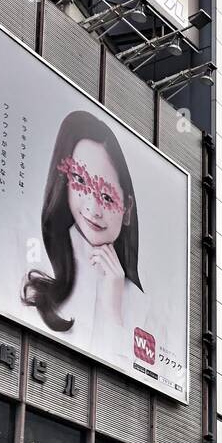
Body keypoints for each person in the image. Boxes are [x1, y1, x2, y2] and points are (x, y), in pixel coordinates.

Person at [22, 111, 170, 384]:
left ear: (127, 209)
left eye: (105, 196)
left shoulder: (146, 310)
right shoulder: (34, 269)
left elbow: (130, 401)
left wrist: (112, 308)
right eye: (79, 182)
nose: (92, 208)